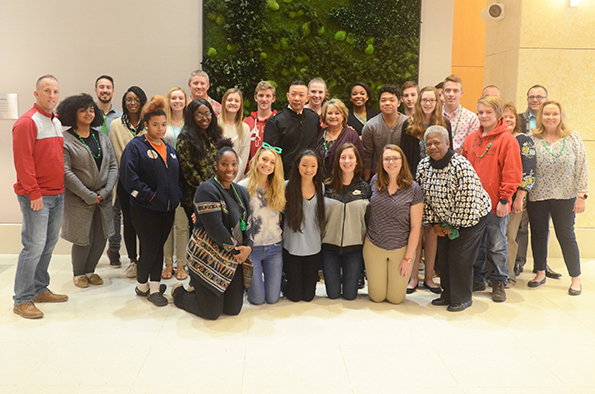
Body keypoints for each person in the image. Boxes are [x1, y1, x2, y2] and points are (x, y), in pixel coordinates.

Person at [172, 140, 253, 319]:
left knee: (233, 309)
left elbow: (248, 222)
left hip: (233, 257)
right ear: (215, 165)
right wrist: (236, 251)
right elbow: (215, 229)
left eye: (233, 164)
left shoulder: (241, 191)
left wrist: (248, 247)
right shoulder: (206, 190)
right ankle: (181, 294)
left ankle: (205, 291)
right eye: (224, 164)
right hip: (208, 257)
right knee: (212, 312)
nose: (229, 169)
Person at [416, 126, 491, 312]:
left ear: (448, 143)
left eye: (437, 143)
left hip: (472, 217)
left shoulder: (461, 166)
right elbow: (423, 198)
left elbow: (468, 200)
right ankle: (447, 294)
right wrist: (435, 224)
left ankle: (462, 298)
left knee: (460, 257)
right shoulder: (423, 166)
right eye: (429, 144)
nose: (433, 147)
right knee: (444, 257)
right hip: (442, 220)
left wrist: (452, 226)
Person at [12, 75, 68, 319]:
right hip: (37, 196)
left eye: (55, 91)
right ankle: (22, 299)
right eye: (47, 91)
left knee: (48, 243)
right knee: (33, 246)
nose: (52, 96)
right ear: (36, 94)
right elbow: (23, 162)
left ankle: (39, 288)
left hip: (57, 194)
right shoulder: (27, 122)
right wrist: (34, 192)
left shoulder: (54, 120)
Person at [119, 95, 183, 307]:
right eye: (155, 125)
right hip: (145, 209)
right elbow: (129, 179)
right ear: (146, 125)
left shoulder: (170, 150)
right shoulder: (135, 147)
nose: (160, 128)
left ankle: (143, 286)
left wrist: (176, 196)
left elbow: (176, 178)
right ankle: (153, 288)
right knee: (150, 250)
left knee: (157, 247)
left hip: (167, 209)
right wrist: (150, 196)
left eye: (164, 124)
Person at [462, 96, 522, 303]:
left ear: (497, 115)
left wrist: (505, 199)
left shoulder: (507, 140)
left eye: (488, 112)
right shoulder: (472, 139)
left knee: (497, 244)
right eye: (480, 112)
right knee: (476, 244)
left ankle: (498, 281)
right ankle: (478, 279)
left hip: (497, 203)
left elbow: (513, 172)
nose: (484, 116)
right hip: (473, 204)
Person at [527, 101, 588, 296]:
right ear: (540, 117)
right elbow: (527, 168)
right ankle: (540, 272)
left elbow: (582, 166)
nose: (550, 118)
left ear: (561, 116)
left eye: (554, 114)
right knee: (538, 234)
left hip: (565, 195)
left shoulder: (572, 138)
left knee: (566, 235)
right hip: (538, 195)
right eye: (546, 114)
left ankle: (576, 278)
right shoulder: (532, 139)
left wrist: (582, 195)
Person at [57, 94, 118, 288]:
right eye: (83, 110)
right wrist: (88, 195)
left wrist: (106, 191)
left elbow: (113, 166)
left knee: (101, 236)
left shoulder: (102, 137)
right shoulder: (66, 139)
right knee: (83, 238)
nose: (88, 113)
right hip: (79, 199)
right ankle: (79, 273)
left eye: (91, 109)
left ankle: (91, 270)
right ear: (72, 113)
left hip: (103, 198)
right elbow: (65, 172)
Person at [400, 86, 452, 294]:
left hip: (438, 186)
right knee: (415, 231)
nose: (428, 104)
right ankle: (413, 277)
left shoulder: (444, 124)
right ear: (419, 102)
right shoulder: (409, 124)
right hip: (415, 185)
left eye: (432, 100)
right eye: (424, 100)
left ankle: (429, 278)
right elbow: (404, 157)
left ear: (437, 102)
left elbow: (450, 153)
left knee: (432, 231)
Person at [364, 144, 423, 304]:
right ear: (382, 162)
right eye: (387, 159)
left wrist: (408, 259)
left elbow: (416, 227)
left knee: (396, 299)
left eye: (395, 158)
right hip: (375, 245)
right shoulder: (375, 181)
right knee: (377, 297)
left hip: (400, 248)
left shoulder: (413, 188)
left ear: (402, 161)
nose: (391, 162)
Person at [516, 85, 561, 278]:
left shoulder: (554, 123)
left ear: (546, 99)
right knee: (521, 226)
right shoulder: (519, 119)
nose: (535, 100)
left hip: (545, 183)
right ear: (527, 99)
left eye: (539, 97)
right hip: (524, 180)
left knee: (541, 227)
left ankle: (541, 265)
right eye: (531, 97)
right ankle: (518, 262)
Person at [238, 144, 285, 304]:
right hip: (253, 248)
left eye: (272, 162)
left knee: (273, 298)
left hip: (274, 246)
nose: (267, 165)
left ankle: (268, 281)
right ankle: (250, 284)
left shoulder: (279, 187)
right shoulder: (243, 187)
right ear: (256, 160)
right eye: (264, 159)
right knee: (257, 299)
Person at [322, 143, 371, 300]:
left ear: (357, 161)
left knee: (350, 296)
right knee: (333, 295)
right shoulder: (327, 186)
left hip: (354, 249)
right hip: (329, 248)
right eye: (343, 157)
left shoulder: (365, 188)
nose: (347, 161)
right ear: (338, 161)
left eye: (351, 157)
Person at [109, 86, 147, 278]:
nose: (132, 103)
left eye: (136, 99)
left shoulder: (149, 124)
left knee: (146, 222)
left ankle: (146, 259)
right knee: (129, 222)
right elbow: (115, 154)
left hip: (146, 183)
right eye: (129, 99)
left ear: (142, 102)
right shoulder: (116, 125)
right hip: (125, 183)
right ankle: (132, 261)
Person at [283, 150, 326, 302]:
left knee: (308, 297)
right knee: (295, 296)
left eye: (313, 166)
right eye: (305, 165)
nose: (309, 170)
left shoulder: (321, 188)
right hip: (292, 246)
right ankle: (282, 282)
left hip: (313, 247)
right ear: (297, 165)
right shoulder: (286, 187)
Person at [501, 102, 535, 287]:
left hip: (515, 199)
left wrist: (520, 197)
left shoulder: (524, 140)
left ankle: (508, 275)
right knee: (495, 238)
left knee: (509, 238)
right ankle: (495, 274)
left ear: (517, 120)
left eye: (511, 117)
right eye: (504, 117)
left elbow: (529, 171)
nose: (508, 120)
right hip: (496, 198)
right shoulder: (495, 138)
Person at [176, 99, 223, 226]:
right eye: (199, 115)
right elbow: (188, 172)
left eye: (208, 113)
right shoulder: (184, 138)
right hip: (196, 197)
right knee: (199, 235)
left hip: (218, 194)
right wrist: (208, 191)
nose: (205, 118)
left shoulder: (216, 135)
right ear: (191, 117)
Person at [94, 75, 123, 268]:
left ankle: (114, 250)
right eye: (101, 87)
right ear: (96, 91)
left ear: (113, 91)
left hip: (116, 170)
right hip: (94, 171)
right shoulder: (88, 115)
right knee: (93, 213)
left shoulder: (120, 117)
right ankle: (90, 253)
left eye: (108, 87)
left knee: (115, 212)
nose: (105, 90)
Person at [264, 81, 322, 178]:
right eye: (293, 94)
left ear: (307, 98)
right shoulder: (275, 121)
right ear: (288, 96)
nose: (296, 98)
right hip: (284, 177)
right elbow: (269, 154)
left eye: (301, 95)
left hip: (310, 175)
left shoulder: (313, 118)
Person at [162, 87, 189, 281]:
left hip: (184, 180)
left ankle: (181, 264)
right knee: (166, 224)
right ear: (169, 100)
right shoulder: (163, 122)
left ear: (186, 101)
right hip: (164, 178)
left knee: (181, 224)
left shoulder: (190, 124)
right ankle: (168, 264)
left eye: (181, 98)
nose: (177, 101)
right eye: (174, 98)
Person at [362, 85, 408, 181]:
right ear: (379, 103)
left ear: (399, 102)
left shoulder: (409, 124)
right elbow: (367, 155)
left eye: (392, 100)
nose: (387, 103)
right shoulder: (370, 126)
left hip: (403, 175)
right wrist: (366, 180)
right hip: (378, 175)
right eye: (383, 100)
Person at [315, 98, 363, 177]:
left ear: (343, 116)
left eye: (337, 113)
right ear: (324, 115)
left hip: (342, 183)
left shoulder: (351, 135)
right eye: (330, 113)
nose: (333, 116)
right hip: (320, 183)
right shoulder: (319, 133)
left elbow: (360, 161)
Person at [243, 81, 277, 170]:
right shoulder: (246, 122)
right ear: (255, 98)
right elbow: (241, 150)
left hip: (271, 172)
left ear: (273, 99)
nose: (264, 99)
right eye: (261, 95)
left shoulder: (279, 122)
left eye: (268, 96)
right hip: (249, 172)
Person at [442, 75, 480, 154]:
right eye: (448, 90)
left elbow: (472, 148)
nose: (451, 94)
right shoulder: (435, 114)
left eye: (455, 91)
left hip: (461, 163)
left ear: (461, 94)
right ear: (443, 93)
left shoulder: (471, 118)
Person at [219, 88, 250, 182]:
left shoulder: (244, 128)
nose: (233, 103)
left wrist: (233, 181)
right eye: (229, 100)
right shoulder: (215, 124)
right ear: (224, 102)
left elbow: (243, 158)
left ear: (240, 105)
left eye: (236, 101)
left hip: (236, 179)